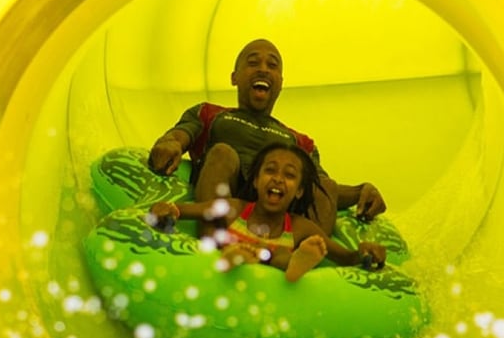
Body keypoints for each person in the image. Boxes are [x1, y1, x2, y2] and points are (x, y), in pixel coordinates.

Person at [148, 38, 386, 237]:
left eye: (272, 65)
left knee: (324, 183)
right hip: (228, 195)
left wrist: (361, 191)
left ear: (280, 83)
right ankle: (213, 246)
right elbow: (178, 136)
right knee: (223, 152)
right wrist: (170, 142)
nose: (263, 69)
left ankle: (306, 259)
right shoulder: (209, 113)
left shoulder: (300, 142)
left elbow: (324, 189)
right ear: (234, 77)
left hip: (279, 210)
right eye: (253, 63)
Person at [148, 143, 387, 282]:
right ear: (255, 181)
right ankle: (238, 256)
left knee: (282, 256)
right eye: (270, 170)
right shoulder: (234, 208)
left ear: (299, 191)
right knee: (226, 243)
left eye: (289, 175)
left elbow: (344, 257)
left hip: (272, 289)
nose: (278, 179)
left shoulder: (300, 227)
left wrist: (364, 252)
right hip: (225, 275)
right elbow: (186, 210)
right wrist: (168, 209)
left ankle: (295, 265)